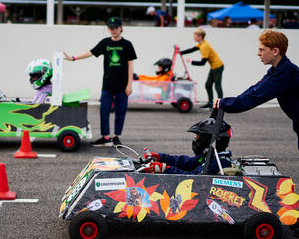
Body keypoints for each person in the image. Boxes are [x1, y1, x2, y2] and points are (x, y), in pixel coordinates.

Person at [213, 29, 299, 239]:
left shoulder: (286, 73)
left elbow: (256, 97)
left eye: (262, 49)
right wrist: (227, 101)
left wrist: (226, 104)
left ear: (275, 51)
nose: (258, 53)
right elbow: (255, 89)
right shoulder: (279, 70)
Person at [63, 17, 137, 147]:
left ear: (121, 28)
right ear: (109, 29)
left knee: (120, 112)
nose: (114, 30)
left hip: (122, 85)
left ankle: (116, 136)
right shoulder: (105, 43)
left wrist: (129, 84)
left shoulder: (127, 44)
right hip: (107, 84)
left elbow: (130, 64)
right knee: (104, 110)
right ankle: (105, 136)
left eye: (116, 27)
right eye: (111, 28)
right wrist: (73, 58)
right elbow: (90, 53)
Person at [142, 117, 233, 175]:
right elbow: (187, 162)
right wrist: (161, 158)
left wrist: (166, 169)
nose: (196, 139)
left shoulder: (218, 162)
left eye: (198, 137)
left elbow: (194, 179)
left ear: (209, 140)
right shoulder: (210, 155)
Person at [180, 27, 224, 110]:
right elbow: (193, 49)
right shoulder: (201, 43)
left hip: (218, 67)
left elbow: (202, 63)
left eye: (195, 36)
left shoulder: (204, 46)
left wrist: (191, 61)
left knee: (217, 86)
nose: (193, 37)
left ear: (200, 37)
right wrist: (181, 52)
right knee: (208, 85)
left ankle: (221, 105)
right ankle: (211, 103)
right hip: (214, 66)